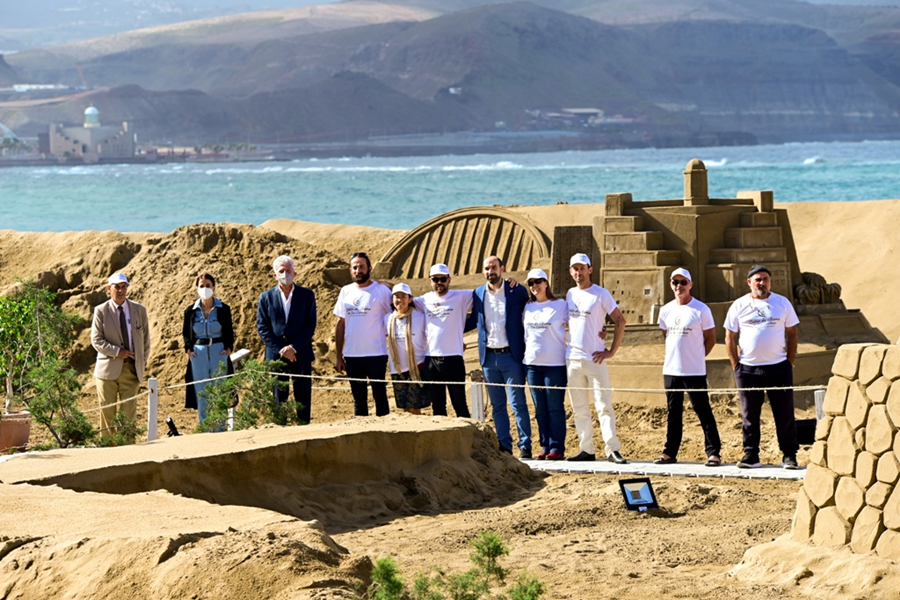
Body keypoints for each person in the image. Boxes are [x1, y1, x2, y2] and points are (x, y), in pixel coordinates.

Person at [725, 264, 800, 469]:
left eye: (765, 279)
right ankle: (751, 454)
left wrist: (789, 362)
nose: (761, 282)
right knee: (749, 415)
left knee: (784, 413)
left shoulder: (782, 303)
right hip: (748, 369)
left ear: (770, 281)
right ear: (749, 282)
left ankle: (789, 455)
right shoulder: (739, 305)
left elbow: (792, 333)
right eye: (757, 279)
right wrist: (736, 366)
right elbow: (730, 337)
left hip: (778, 367)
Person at [654, 268, 722, 466]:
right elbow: (666, 334)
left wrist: (697, 356)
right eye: (675, 282)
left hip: (694, 370)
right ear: (671, 285)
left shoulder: (701, 309)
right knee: (673, 413)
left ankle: (713, 452)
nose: (679, 286)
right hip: (671, 370)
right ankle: (669, 452)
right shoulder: (666, 310)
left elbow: (710, 338)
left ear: (690, 284)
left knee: (703, 411)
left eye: (683, 282)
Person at [565, 253, 628, 464]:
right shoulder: (570, 294)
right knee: (579, 408)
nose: (578, 272)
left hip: (596, 359)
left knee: (604, 406)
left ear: (589, 270)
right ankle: (587, 449)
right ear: (571, 271)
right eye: (575, 268)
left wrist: (611, 350)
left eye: (582, 268)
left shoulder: (601, 294)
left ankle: (612, 449)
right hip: (573, 359)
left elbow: (620, 320)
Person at [467, 256, 532, 458]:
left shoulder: (516, 290)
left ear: (502, 268)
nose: (490, 271)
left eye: (494, 267)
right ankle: (505, 446)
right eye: (486, 268)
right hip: (489, 359)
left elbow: (531, 310)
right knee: (497, 406)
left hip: (511, 356)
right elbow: (470, 322)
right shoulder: (477, 294)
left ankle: (525, 445)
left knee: (518, 403)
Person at [90, 272, 151, 442]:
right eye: (117, 287)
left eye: (124, 286)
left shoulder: (139, 310)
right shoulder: (100, 311)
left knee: (128, 415)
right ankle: (108, 453)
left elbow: (146, 341)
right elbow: (96, 340)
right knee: (107, 414)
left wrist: (141, 362)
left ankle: (128, 451)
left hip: (131, 370)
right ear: (109, 289)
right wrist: (117, 352)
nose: (121, 290)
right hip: (107, 371)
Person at [257, 255, 317, 424]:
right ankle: (280, 431)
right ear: (275, 275)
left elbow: (310, 325)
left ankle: (304, 429)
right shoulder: (266, 297)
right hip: (277, 357)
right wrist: (282, 349)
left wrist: (293, 347)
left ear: (295, 273)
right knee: (278, 399)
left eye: (288, 271)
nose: (285, 274)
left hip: (301, 353)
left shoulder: (307, 295)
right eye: (281, 271)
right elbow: (262, 327)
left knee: (303, 397)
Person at [334, 252, 393, 417]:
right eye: (355, 267)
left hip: (376, 353)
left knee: (380, 396)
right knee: (358, 399)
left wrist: (388, 284)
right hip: (352, 355)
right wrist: (339, 356)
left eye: (361, 266)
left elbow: (400, 303)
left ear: (369, 268)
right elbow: (341, 323)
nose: (358, 270)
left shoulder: (381, 290)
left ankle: (384, 434)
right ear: (350, 270)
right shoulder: (345, 291)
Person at [413, 264, 472, 418]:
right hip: (431, 360)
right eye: (435, 279)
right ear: (430, 280)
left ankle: (467, 441)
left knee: (460, 404)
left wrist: (510, 283)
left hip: (454, 359)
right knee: (438, 407)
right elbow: (401, 298)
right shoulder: (424, 300)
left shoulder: (461, 297)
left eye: (443, 279)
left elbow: (488, 292)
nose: (439, 282)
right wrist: (380, 283)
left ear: (449, 279)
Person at [522, 268, 568, 460]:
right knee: (540, 408)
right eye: (531, 283)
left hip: (554, 364)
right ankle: (545, 446)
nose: (535, 286)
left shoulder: (560, 305)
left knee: (555, 407)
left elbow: (580, 321)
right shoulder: (528, 307)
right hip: (532, 364)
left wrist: (601, 331)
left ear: (546, 283)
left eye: (538, 281)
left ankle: (557, 447)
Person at [183, 273, 235, 426]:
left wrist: (228, 349)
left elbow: (229, 330)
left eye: (208, 285)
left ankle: (220, 429)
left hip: (218, 351)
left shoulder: (223, 309)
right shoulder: (190, 311)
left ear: (214, 287)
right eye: (202, 286)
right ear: (196, 288)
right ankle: (204, 429)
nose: (205, 289)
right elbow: (186, 333)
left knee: (220, 391)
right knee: (202, 393)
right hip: (198, 354)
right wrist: (189, 350)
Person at [385, 283, 430, 415]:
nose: (400, 300)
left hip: (416, 368)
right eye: (396, 297)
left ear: (410, 299)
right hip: (397, 369)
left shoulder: (420, 317)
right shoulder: (387, 319)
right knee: (404, 407)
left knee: (415, 407)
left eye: (403, 296)